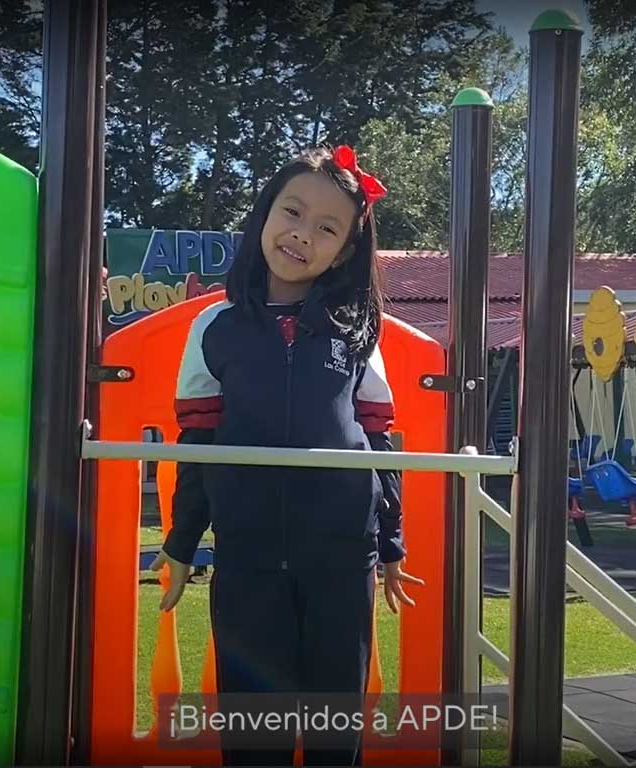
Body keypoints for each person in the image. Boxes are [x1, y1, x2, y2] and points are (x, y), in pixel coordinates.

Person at [149, 145, 424, 766]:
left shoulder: (359, 329)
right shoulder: (214, 328)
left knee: (334, 728)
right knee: (254, 735)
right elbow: (199, 444)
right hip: (246, 560)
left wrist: (391, 544)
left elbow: (378, 442)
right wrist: (182, 539)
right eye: (292, 212)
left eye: (327, 228)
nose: (303, 235)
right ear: (264, 215)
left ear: (347, 250)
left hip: (341, 559)